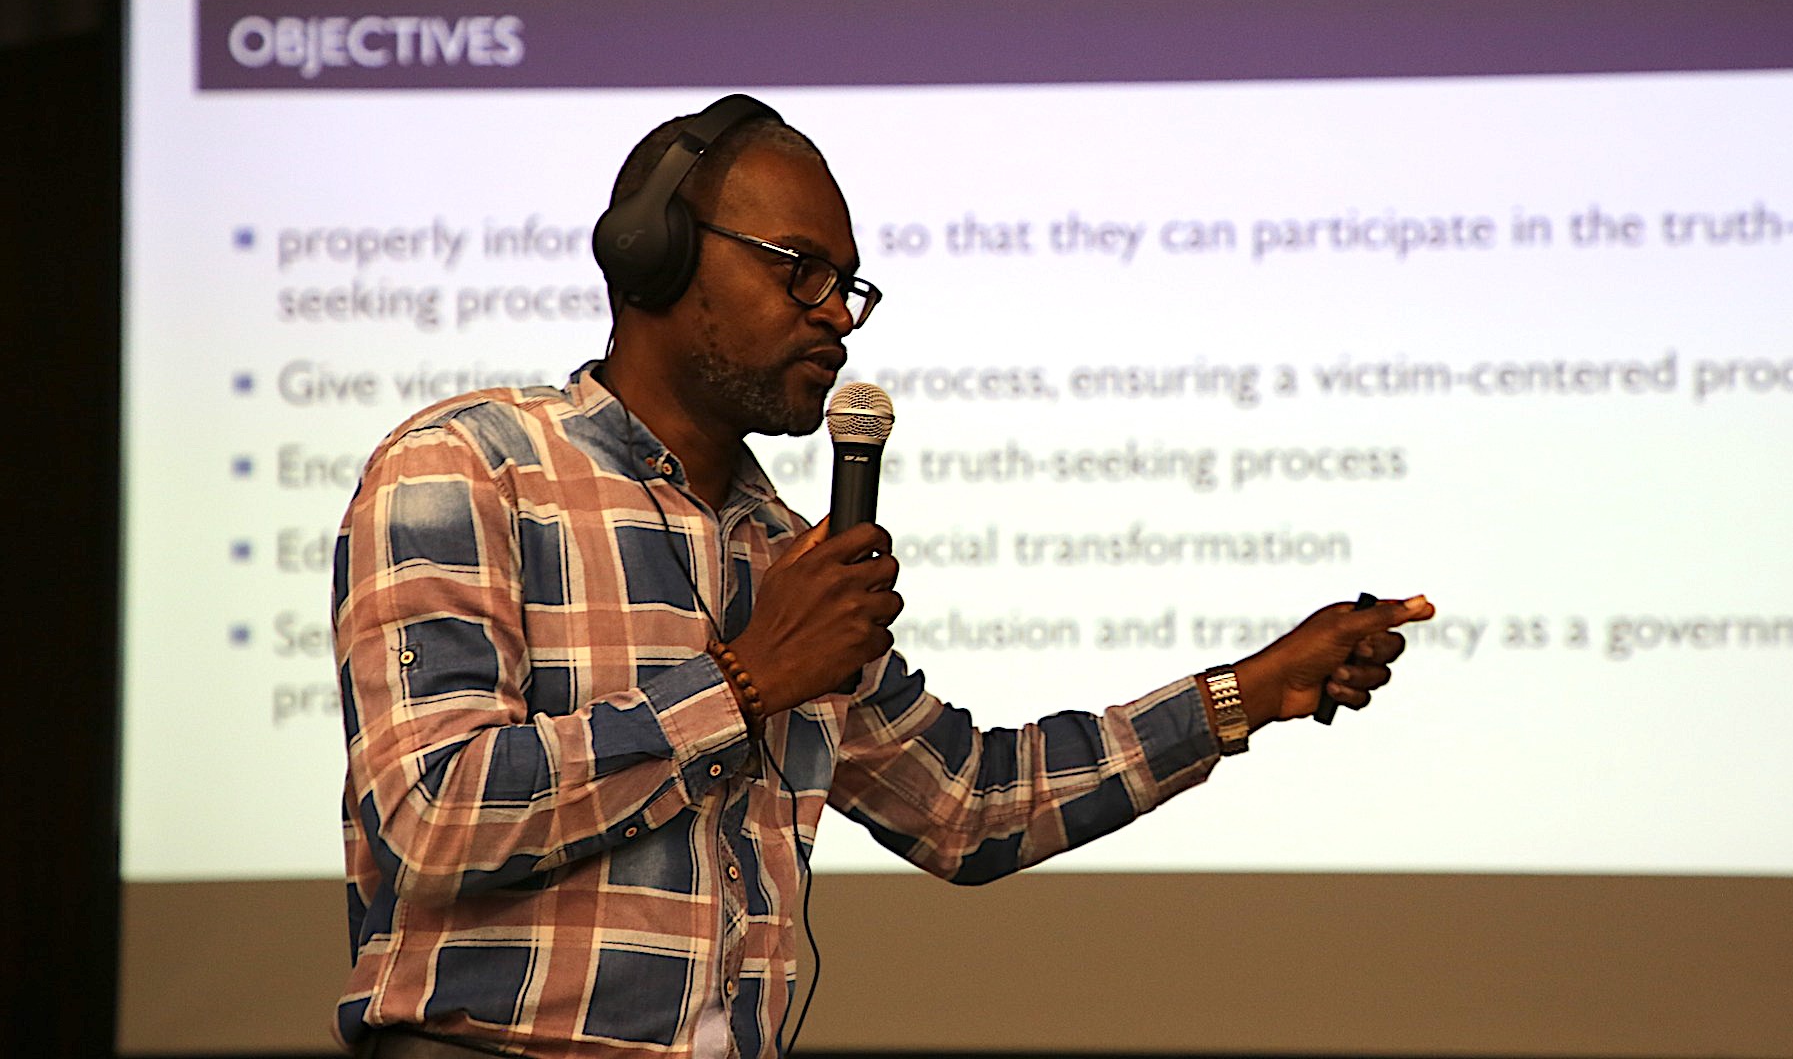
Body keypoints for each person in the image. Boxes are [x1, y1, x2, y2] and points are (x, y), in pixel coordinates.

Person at [331, 95, 1433, 1059]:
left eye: (848, 285)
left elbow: (966, 807)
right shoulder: (469, 469)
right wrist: (746, 680)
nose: (833, 315)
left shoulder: (783, 551)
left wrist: (1243, 692)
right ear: (654, 254)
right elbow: (430, 819)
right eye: (797, 268)